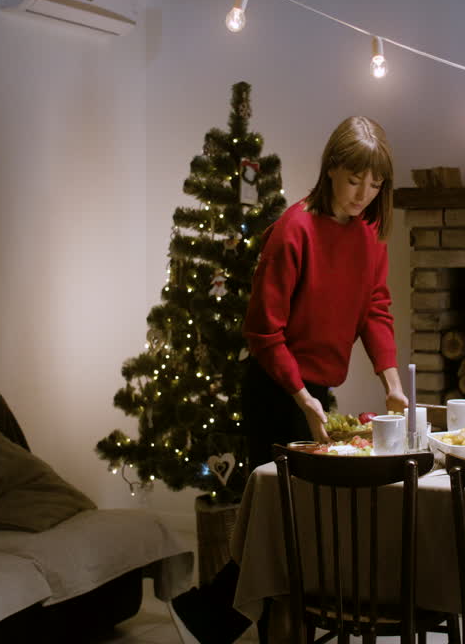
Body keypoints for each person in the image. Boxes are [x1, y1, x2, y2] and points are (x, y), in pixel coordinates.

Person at [169, 115, 408, 644]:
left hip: (315, 395)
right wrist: (300, 396)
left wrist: (390, 379)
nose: (363, 195)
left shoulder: (369, 238)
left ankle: (202, 618)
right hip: (276, 390)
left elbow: (375, 309)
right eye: (354, 181)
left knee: (297, 527)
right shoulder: (294, 229)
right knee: (280, 526)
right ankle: (210, 619)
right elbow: (264, 331)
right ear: (330, 170)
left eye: (375, 185)